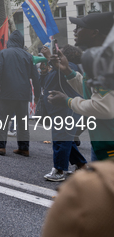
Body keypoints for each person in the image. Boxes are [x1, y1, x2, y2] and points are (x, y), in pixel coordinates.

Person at [48, 11, 114, 161]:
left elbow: (104, 108)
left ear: (94, 33)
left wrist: (67, 101)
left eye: (80, 27)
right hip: (102, 142)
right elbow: (94, 92)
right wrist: (67, 71)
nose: (75, 31)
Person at [40, 44, 87, 181]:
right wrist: (44, 72)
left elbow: (64, 71)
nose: (57, 54)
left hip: (66, 109)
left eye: (60, 52)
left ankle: (59, 170)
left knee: (61, 139)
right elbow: (46, 82)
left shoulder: (71, 65)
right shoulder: (57, 67)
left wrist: (49, 57)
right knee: (67, 139)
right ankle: (81, 165)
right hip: (59, 109)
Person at [0, 30, 40, 157]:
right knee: (22, 121)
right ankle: (24, 148)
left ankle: (1, 146)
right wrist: (38, 95)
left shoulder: (3, 53)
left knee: (3, 120)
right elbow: (36, 77)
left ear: (10, 41)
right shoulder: (28, 56)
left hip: (7, 92)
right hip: (24, 94)